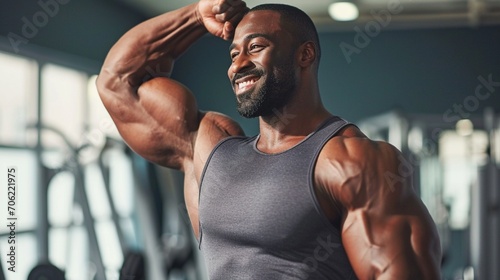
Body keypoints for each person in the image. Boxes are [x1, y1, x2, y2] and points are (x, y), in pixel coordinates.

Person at [96, 0, 442, 279]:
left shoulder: (352, 162)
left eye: (256, 47)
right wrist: (197, 16)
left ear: (304, 55)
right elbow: (116, 82)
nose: (239, 64)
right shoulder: (208, 151)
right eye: (234, 54)